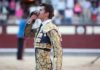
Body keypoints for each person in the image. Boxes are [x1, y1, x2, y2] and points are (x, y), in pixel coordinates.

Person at [24, 3, 62, 70]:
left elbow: (58, 51)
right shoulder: (40, 28)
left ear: (47, 13)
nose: (38, 12)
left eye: (41, 10)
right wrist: (32, 20)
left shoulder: (51, 28)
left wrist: (57, 68)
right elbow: (27, 34)